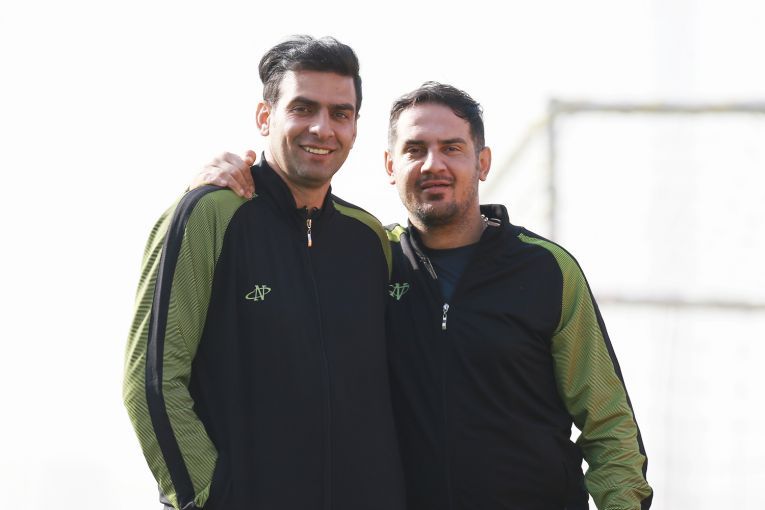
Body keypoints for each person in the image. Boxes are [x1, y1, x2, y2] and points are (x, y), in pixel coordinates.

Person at [192, 83, 653, 509]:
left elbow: (609, 425)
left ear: (482, 162)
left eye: (452, 148)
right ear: (390, 167)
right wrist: (220, 186)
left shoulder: (547, 270)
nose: (433, 164)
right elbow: (286, 243)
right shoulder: (367, 261)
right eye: (415, 150)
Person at [123, 36, 405, 510]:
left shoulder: (370, 238)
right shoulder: (208, 216)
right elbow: (153, 382)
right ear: (264, 117)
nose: (322, 128)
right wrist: (210, 497)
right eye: (303, 108)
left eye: (340, 113)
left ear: (356, 127)